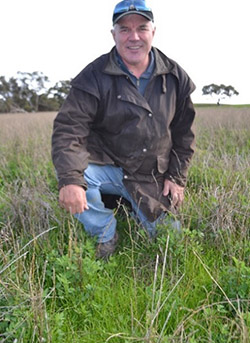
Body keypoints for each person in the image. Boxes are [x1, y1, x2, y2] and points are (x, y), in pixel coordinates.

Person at [51, 0, 196, 259]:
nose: (134, 37)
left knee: (169, 244)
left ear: (153, 32)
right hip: (108, 166)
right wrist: (71, 180)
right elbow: (68, 129)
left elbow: (184, 133)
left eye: (142, 28)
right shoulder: (93, 75)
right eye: (125, 29)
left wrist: (177, 176)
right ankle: (104, 233)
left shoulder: (174, 76)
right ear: (113, 34)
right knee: (75, 176)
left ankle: (134, 207)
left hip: (151, 176)